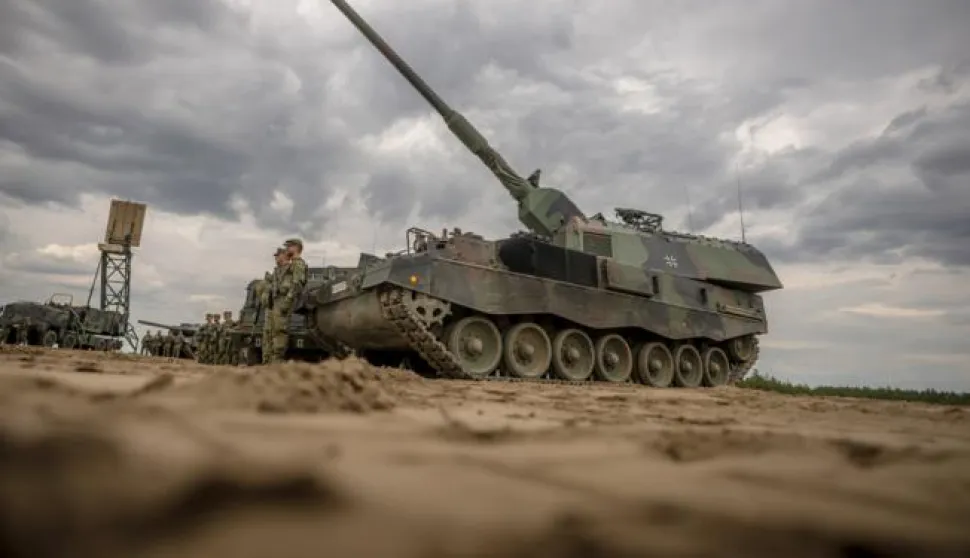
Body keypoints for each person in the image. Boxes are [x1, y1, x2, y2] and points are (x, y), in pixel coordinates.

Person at [267, 238, 307, 363]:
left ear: (296, 247)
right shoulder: (292, 264)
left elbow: (297, 284)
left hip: (285, 301)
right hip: (279, 301)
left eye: (289, 246)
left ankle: (277, 361)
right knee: (275, 332)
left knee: (280, 331)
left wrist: (287, 301)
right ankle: (274, 360)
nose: (287, 249)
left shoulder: (298, 263)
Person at [263, 247, 289, 364]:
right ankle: (268, 361)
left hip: (282, 306)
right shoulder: (276, 272)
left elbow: (287, 288)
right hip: (273, 307)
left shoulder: (289, 271)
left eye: (278, 256)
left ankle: (276, 363)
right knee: (269, 335)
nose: (276, 258)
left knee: (279, 334)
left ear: (284, 255)